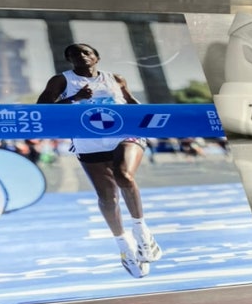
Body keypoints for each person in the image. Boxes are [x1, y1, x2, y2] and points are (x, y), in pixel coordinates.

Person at [38, 44, 162, 279]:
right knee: (108, 197)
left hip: (123, 133)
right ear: (69, 60)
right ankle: (124, 246)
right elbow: (42, 109)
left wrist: (155, 120)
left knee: (124, 175)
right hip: (88, 139)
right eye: (74, 54)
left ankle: (142, 231)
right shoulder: (62, 81)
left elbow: (130, 102)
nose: (81, 56)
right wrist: (74, 98)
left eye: (86, 52)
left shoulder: (115, 78)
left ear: (97, 57)